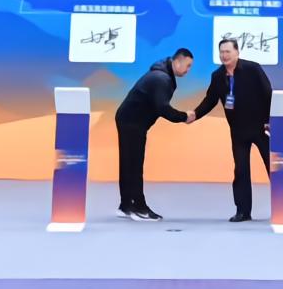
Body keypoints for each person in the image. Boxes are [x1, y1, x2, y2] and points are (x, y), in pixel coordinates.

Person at [191, 38, 272, 222]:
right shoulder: (217, 76)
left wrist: (269, 120)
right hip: (238, 131)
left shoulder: (253, 69)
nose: (224, 55)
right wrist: (195, 114)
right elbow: (210, 100)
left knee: (273, 168)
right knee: (241, 171)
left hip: (261, 128)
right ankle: (243, 212)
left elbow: (268, 93)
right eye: (222, 52)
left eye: (228, 51)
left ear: (237, 52)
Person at [115, 48, 195, 221]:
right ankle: (139, 208)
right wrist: (184, 117)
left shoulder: (161, 75)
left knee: (129, 163)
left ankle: (126, 205)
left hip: (129, 119)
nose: (188, 70)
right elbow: (163, 108)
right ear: (178, 61)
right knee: (134, 164)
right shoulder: (161, 78)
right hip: (132, 122)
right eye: (188, 66)